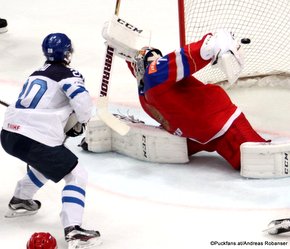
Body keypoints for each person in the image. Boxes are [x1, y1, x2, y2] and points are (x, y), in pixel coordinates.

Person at [95, 30, 267, 170]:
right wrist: (117, 43)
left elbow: (182, 59)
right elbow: (136, 64)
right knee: (246, 161)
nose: (156, 60)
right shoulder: (146, 86)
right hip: (195, 134)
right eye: (151, 59)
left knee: (257, 161)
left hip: (220, 122)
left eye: (158, 58)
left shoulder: (154, 75)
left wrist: (209, 46)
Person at [0, 33, 100, 246]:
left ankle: (21, 199)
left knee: (47, 164)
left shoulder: (36, 73)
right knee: (76, 174)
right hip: (35, 137)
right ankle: (73, 230)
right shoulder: (69, 74)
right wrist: (83, 121)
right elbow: (82, 102)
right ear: (69, 53)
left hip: (9, 134)